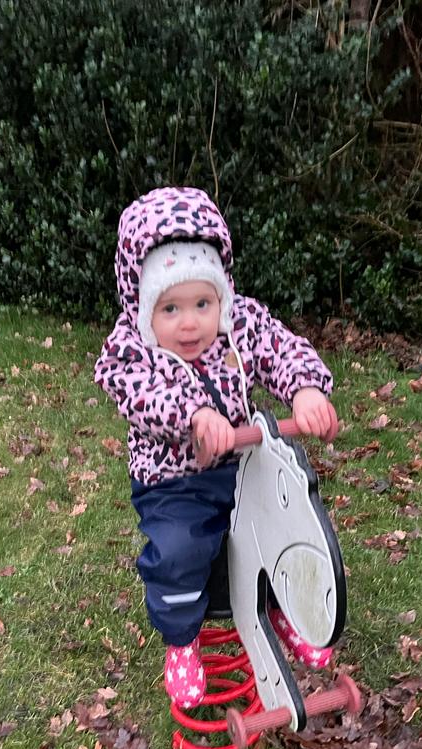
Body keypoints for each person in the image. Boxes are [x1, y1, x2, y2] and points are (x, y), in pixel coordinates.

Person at [94, 186, 338, 709]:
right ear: (144, 307)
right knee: (180, 550)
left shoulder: (239, 322)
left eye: (203, 304)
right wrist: (194, 415)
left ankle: (281, 612)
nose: (190, 323)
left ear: (221, 295)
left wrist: (306, 389)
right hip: (173, 479)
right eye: (170, 308)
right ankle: (182, 641)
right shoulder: (131, 348)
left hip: (244, 465)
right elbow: (137, 393)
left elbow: (279, 347)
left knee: (279, 531)